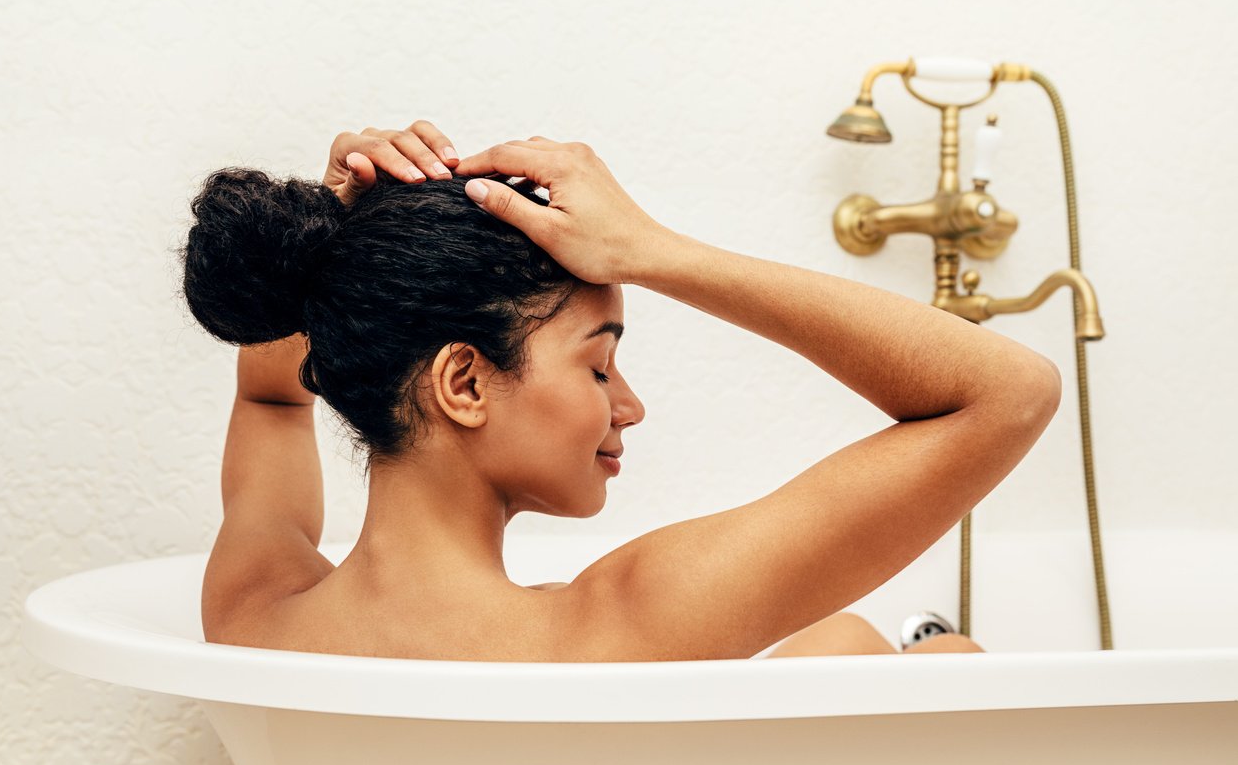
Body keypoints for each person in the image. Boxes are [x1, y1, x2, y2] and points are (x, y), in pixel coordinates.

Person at [182, 121, 1058, 662]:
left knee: (844, 645)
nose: (629, 406)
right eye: (599, 366)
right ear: (464, 380)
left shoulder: (256, 611)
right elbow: (1010, 392)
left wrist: (329, 251)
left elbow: (271, 401)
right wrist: (651, 249)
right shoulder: (626, 626)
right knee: (944, 662)